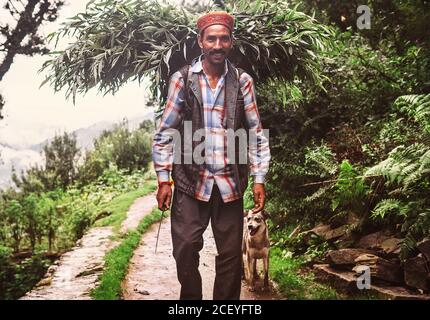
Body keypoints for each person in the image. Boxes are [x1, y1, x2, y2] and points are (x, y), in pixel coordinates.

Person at [152, 11, 271, 300]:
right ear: (201, 42)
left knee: (230, 256)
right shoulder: (183, 79)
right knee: (185, 248)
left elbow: (255, 132)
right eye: (212, 39)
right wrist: (163, 178)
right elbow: (166, 130)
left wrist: (258, 178)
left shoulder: (242, 81)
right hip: (191, 181)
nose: (218, 45)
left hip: (230, 183)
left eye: (224, 38)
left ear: (231, 41)